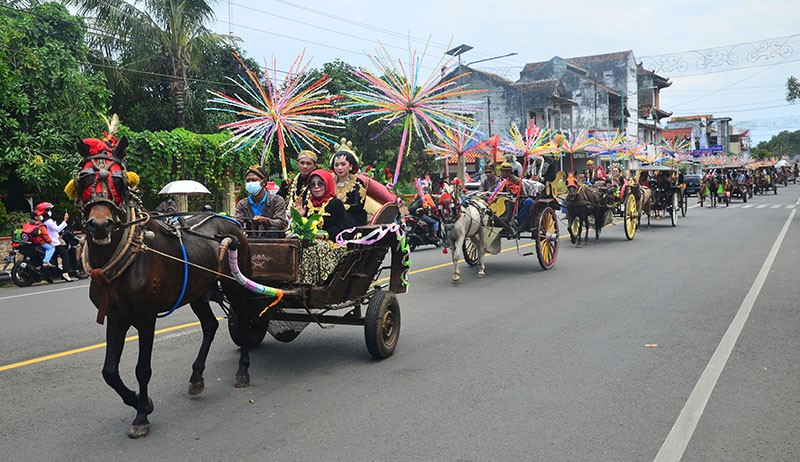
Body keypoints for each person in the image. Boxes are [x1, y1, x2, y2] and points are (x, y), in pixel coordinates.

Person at [234, 165, 288, 236]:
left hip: (273, 242)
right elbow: (238, 222)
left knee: (273, 229)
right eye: (248, 181)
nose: (250, 183)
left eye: (254, 180)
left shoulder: (276, 200)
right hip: (251, 242)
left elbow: (282, 222)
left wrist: (266, 221)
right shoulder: (242, 204)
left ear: (264, 183)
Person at [293, 169, 347, 240]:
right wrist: (299, 217)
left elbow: (340, 227)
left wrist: (322, 236)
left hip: (330, 242)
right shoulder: (307, 204)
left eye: (320, 183)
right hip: (308, 242)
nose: (316, 186)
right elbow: (299, 229)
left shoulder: (336, 203)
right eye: (312, 184)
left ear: (327, 184)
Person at [330, 138, 368, 227]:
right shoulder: (330, 183)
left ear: (350, 166)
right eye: (336, 165)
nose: (339, 168)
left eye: (343, 164)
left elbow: (358, 206)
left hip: (353, 218)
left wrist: (339, 206)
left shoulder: (358, 183)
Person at [36, 202, 74, 281]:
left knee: (54, 260)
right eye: (48, 210)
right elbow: (57, 229)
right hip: (54, 243)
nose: (50, 211)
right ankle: (65, 273)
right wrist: (65, 220)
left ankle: (53, 275)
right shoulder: (48, 221)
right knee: (65, 255)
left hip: (50, 242)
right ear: (45, 211)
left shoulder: (43, 221)